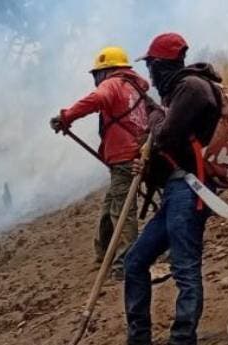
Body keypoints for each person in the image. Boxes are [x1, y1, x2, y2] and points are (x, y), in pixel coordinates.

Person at [111, 32, 222, 345]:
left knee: (185, 266)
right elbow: (163, 139)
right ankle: (140, 340)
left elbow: (165, 134)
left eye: (154, 65)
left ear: (164, 63)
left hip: (189, 189)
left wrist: (155, 119)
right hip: (176, 189)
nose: (153, 73)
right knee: (135, 261)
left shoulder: (191, 88)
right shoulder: (180, 92)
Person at [51, 46, 156, 272]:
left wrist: (65, 117)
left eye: (96, 74)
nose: (96, 79)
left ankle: (128, 263)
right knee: (112, 204)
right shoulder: (135, 86)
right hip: (141, 153)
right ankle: (104, 253)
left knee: (122, 212)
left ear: (105, 71)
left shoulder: (112, 83)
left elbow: (97, 98)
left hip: (124, 158)